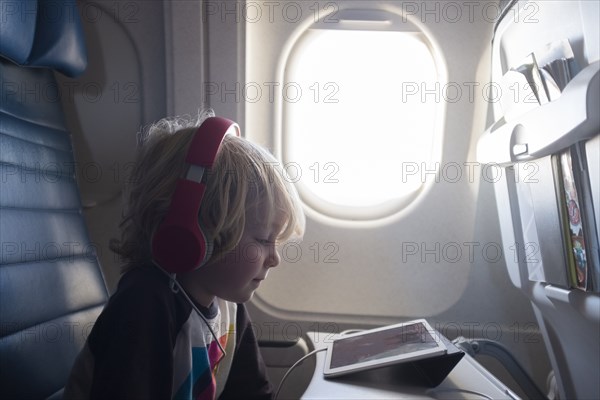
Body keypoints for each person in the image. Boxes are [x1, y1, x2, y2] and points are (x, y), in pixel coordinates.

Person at [64, 109, 305, 400]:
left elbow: (252, 393)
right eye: (265, 239)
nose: (274, 258)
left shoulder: (228, 304)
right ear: (196, 229)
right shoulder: (144, 304)